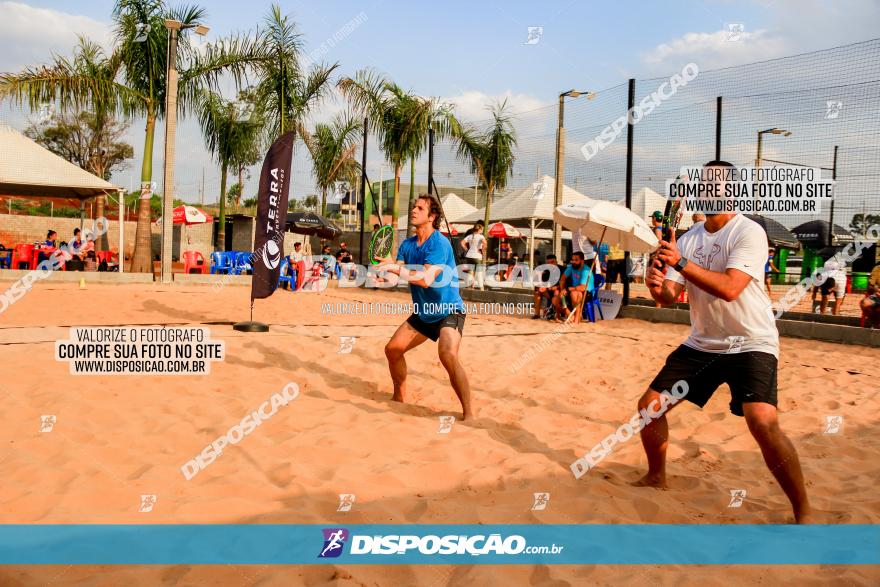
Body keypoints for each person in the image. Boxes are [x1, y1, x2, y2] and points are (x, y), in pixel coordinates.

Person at [638, 159, 812, 524]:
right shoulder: (688, 237)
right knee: (649, 406)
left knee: (762, 423)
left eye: (717, 184)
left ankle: (803, 511)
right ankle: (656, 477)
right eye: (703, 183)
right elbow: (670, 296)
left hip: (751, 341)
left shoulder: (749, 232)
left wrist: (681, 263)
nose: (708, 189)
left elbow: (731, 289)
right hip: (704, 343)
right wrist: (656, 283)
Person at [377, 194, 475, 420]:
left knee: (448, 354)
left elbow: (425, 279)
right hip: (424, 313)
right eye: (413, 207)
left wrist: (394, 268)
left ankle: (469, 413)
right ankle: (399, 397)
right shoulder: (407, 244)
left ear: (431, 216)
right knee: (392, 350)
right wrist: (385, 273)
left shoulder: (439, 243)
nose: (413, 210)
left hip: (449, 310)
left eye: (419, 208)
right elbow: (397, 276)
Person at [552, 251, 593, 324]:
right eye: (572, 260)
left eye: (576, 260)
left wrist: (567, 289)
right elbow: (562, 280)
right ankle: (570, 315)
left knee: (575, 294)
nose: (573, 262)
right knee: (555, 299)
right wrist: (562, 290)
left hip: (587, 292)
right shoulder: (571, 267)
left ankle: (576, 319)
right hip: (574, 290)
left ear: (582, 261)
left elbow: (582, 287)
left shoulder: (586, 270)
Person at [533, 253, 564, 319]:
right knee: (537, 291)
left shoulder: (562, 270)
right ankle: (537, 314)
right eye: (548, 263)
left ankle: (555, 314)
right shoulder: (546, 271)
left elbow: (565, 285)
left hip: (560, 292)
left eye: (552, 262)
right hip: (549, 292)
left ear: (556, 262)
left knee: (556, 291)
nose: (550, 264)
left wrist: (551, 288)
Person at [460, 222, 485, 288]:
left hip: (469, 256)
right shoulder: (481, 236)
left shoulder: (469, 236)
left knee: (471, 272)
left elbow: (462, 242)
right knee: (479, 273)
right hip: (477, 256)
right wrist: (482, 250)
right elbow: (485, 243)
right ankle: (481, 288)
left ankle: (470, 286)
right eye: (482, 229)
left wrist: (466, 249)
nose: (482, 231)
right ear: (479, 230)